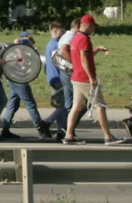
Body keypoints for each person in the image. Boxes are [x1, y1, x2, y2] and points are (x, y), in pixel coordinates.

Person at [64, 14, 123, 145]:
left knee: (77, 106)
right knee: (100, 106)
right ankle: (108, 137)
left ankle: (68, 136)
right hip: (85, 79)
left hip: (76, 77)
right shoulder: (84, 39)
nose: (93, 29)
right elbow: (84, 60)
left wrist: (97, 50)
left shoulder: (76, 38)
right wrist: (92, 78)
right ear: (87, 25)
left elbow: (83, 56)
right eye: (93, 27)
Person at [0, 32, 51, 140]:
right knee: (30, 104)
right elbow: (17, 42)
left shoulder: (26, 50)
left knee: (13, 104)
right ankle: (41, 129)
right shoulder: (19, 48)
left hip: (15, 78)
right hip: (18, 80)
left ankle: (5, 129)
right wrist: (23, 44)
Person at [42, 20, 69, 141]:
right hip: (57, 78)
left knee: (61, 104)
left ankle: (60, 131)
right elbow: (60, 63)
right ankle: (47, 122)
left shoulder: (50, 44)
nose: (64, 34)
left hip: (52, 77)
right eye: (62, 31)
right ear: (54, 31)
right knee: (67, 104)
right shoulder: (55, 45)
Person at [57, 18, 82, 136]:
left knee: (69, 104)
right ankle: (68, 129)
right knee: (84, 103)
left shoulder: (66, 35)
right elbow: (63, 50)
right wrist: (75, 64)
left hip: (65, 72)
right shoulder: (71, 36)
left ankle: (64, 130)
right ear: (77, 27)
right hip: (70, 72)